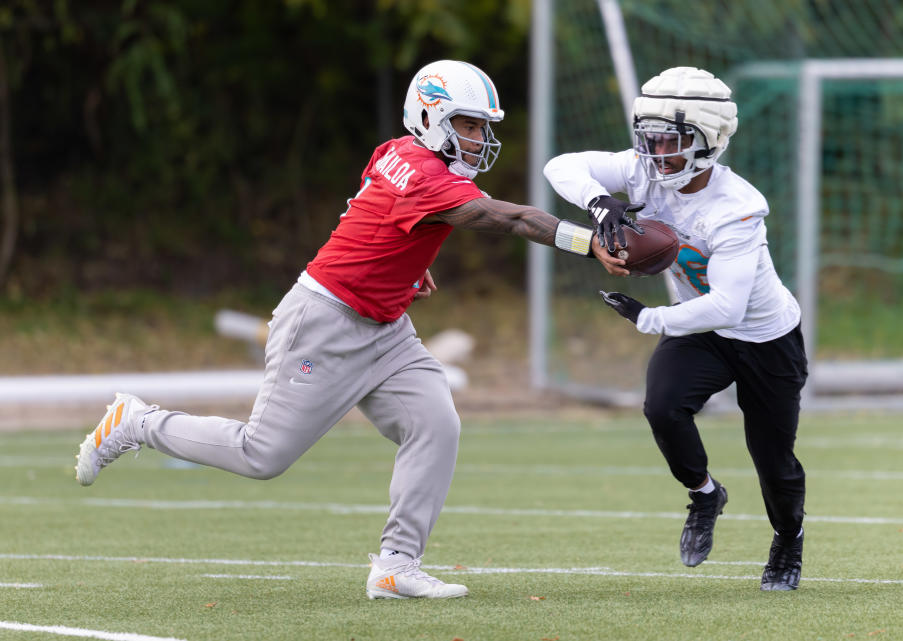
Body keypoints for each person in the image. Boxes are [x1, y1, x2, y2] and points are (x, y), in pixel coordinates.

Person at [74, 60, 621, 600]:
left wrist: (404, 260)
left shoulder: (396, 151)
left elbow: (368, 199)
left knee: (436, 423)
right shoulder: (429, 177)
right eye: (469, 125)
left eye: (482, 128)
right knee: (261, 455)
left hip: (385, 327)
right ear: (431, 117)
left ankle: (395, 564)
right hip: (325, 322)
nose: (479, 139)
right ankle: (137, 420)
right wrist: (588, 239)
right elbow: (512, 218)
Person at [543, 66, 807, 591]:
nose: (652, 151)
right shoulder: (645, 172)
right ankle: (705, 493)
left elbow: (727, 307)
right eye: (648, 138)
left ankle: (787, 541)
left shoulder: (738, 208)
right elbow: (561, 165)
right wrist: (600, 204)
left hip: (762, 337)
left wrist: (649, 318)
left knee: (772, 460)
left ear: (707, 141)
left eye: (667, 139)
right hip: (701, 332)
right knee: (662, 406)